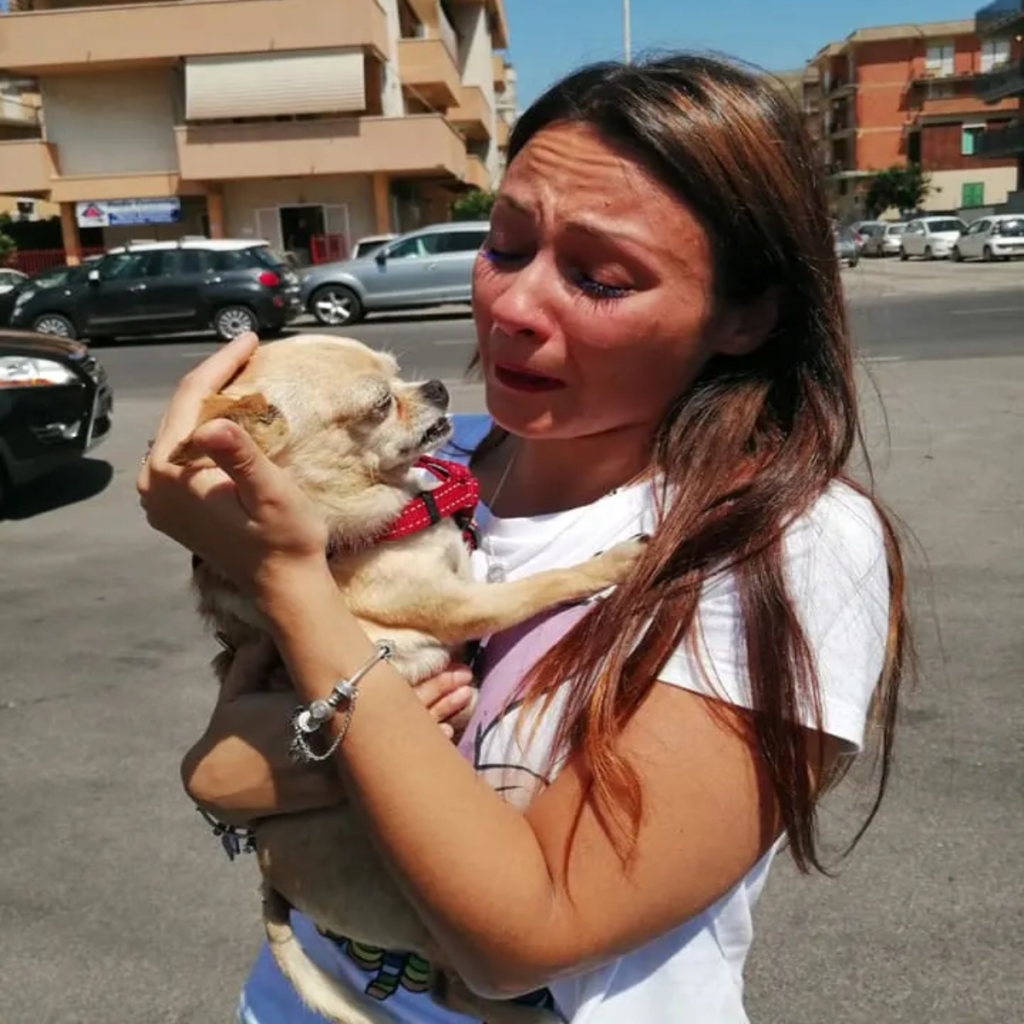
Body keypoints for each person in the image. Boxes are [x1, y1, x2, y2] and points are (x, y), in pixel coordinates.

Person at [138, 52, 910, 1024]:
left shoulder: (776, 543)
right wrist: (223, 769)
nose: (511, 307)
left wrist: (287, 582)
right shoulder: (420, 476)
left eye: (599, 277)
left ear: (746, 314)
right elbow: (228, 761)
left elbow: (519, 941)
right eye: (504, 247)